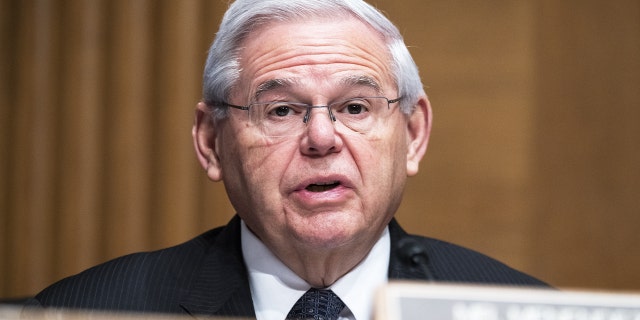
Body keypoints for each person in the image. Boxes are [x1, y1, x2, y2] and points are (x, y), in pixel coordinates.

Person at [28, 0, 548, 319]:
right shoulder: (85, 313)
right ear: (211, 141)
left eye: (354, 107)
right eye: (280, 109)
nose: (322, 137)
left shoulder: (526, 314)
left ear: (412, 135)